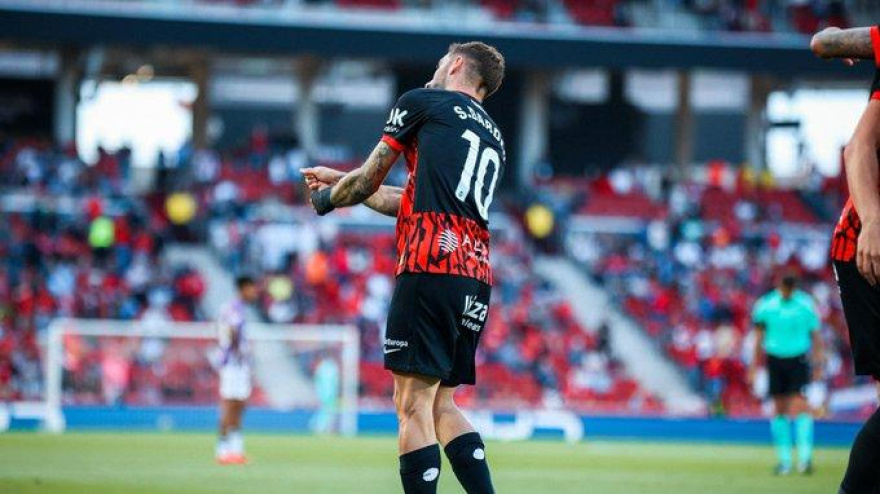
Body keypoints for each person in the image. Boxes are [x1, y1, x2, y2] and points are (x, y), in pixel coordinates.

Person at [303, 41, 505, 494]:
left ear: (455, 65)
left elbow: (370, 180)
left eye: (439, 64)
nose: (434, 71)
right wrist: (342, 181)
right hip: (474, 275)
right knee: (442, 405)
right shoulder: (493, 133)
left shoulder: (422, 102)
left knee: (411, 403)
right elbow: (405, 200)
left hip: (429, 265)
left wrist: (325, 199)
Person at [812, 25, 880, 494]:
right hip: (867, 241)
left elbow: (826, 41)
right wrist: (874, 220)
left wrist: (839, 40)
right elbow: (858, 148)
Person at [749, 274, 824, 476]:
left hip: (798, 359)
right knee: (779, 408)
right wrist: (753, 366)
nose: (787, 292)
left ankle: (805, 459)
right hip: (775, 359)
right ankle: (785, 461)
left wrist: (818, 364)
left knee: (801, 406)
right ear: (778, 286)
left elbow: (816, 336)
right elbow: (758, 338)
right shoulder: (766, 305)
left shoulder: (805, 305)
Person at [215, 275, 260, 465]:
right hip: (233, 364)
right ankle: (223, 449)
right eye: (251, 288)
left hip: (237, 364)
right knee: (231, 405)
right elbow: (232, 333)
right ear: (242, 288)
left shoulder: (237, 309)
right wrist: (239, 354)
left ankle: (235, 449)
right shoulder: (233, 309)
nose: (254, 292)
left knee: (239, 405)